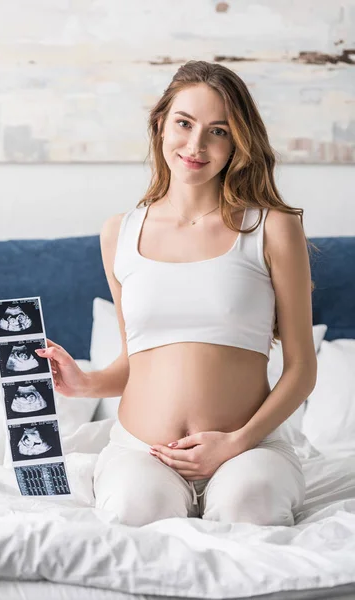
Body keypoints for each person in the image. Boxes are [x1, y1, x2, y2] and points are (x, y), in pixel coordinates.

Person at [35, 60, 317, 528]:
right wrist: (85, 383)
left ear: (238, 143)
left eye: (218, 131)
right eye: (184, 123)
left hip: (248, 448)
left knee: (252, 504)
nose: (195, 145)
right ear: (160, 123)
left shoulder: (272, 228)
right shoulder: (118, 234)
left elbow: (302, 370)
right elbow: (136, 361)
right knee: (133, 510)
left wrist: (236, 442)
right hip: (142, 450)